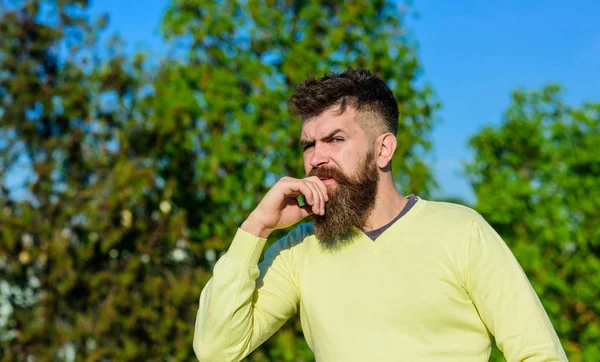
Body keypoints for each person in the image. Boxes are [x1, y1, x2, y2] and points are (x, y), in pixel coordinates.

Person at [193, 68, 567, 361]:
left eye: (335, 139)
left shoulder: (462, 231)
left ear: (383, 150)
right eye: (309, 144)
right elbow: (217, 350)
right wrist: (256, 227)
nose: (316, 158)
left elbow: (539, 354)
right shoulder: (298, 250)